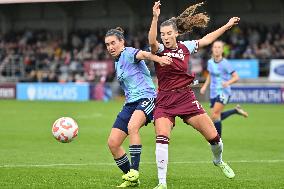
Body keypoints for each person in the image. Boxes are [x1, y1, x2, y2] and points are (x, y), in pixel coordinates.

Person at [148, 1, 240, 188]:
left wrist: (227, 26)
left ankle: (218, 160)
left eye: (168, 33)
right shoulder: (158, 50)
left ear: (176, 33)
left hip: (186, 98)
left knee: (215, 139)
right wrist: (155, 17)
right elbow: (151, 41)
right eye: (162, 34)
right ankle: (162, 183)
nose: (165, 37)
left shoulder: (185, 47)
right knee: (162, 137)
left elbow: (207, 39)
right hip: (165, 99)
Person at [105, 27, 172, 188]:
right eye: (107, 44)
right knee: (113, 143)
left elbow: (143, 54)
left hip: (147, 98)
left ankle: (135, 170)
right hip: (130, 103)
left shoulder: (128, 52)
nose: (110, 47)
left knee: (132, 127)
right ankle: (131, 177)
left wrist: (158, 59)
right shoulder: (117, 62)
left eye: (113, 43)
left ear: (122, 42)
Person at [200, 40, 248, 137]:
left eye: (219, 47)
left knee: (215, 115)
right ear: (212, 49)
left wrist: (227, 83)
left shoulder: (226, 63)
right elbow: (210, 75)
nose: (217, 49)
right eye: (215, 47)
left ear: (222, 50)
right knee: (214, 116)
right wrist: (205, 86)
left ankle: (218, 139)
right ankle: (235, 110)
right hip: (213, 92)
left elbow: (236, 77)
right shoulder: (210, 62)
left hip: (224, 92)